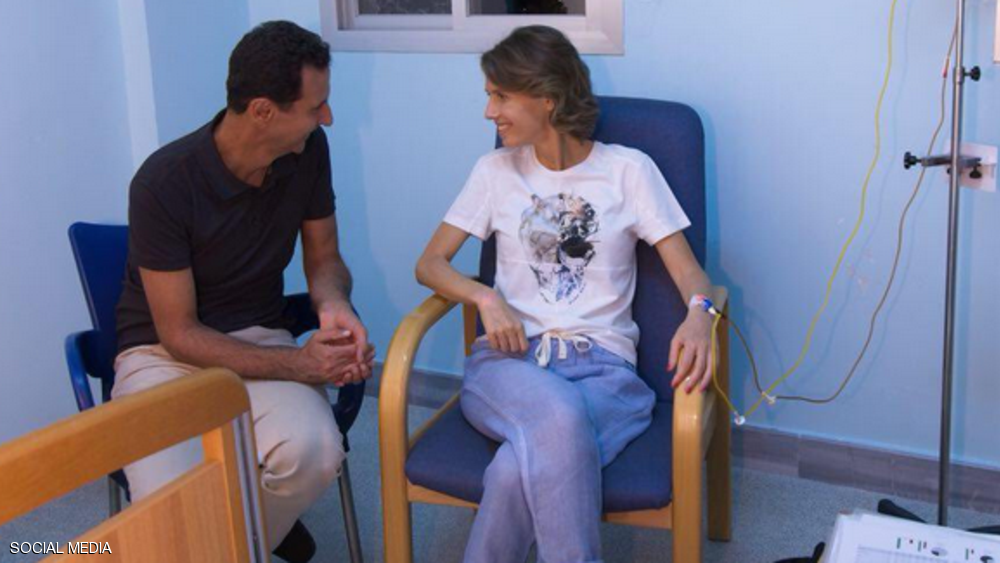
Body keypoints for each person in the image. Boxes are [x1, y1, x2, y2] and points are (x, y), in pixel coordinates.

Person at [415, 25, 715, 563]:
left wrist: (699, 316)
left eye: (500, 96)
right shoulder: (493, 172)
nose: (489, 112)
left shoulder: (628, 171)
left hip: (606, 373)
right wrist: (486, 299)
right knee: (556, 416)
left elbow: (691, 274)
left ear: (547, 97)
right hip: (508, 364)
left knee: (513, 472)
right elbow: (430, 263)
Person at [113, 20, 373, 563]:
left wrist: (333, 307)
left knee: (317, 452)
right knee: (168, 513)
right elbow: (179, 333)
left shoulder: (309, 150)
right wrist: (299, 365)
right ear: (262, 111)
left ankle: (251, 527)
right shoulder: (163, 183)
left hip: (260, 336)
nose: (327, 117)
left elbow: (324, 259)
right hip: (162, 357)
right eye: (315, 106)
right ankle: (261, 529)